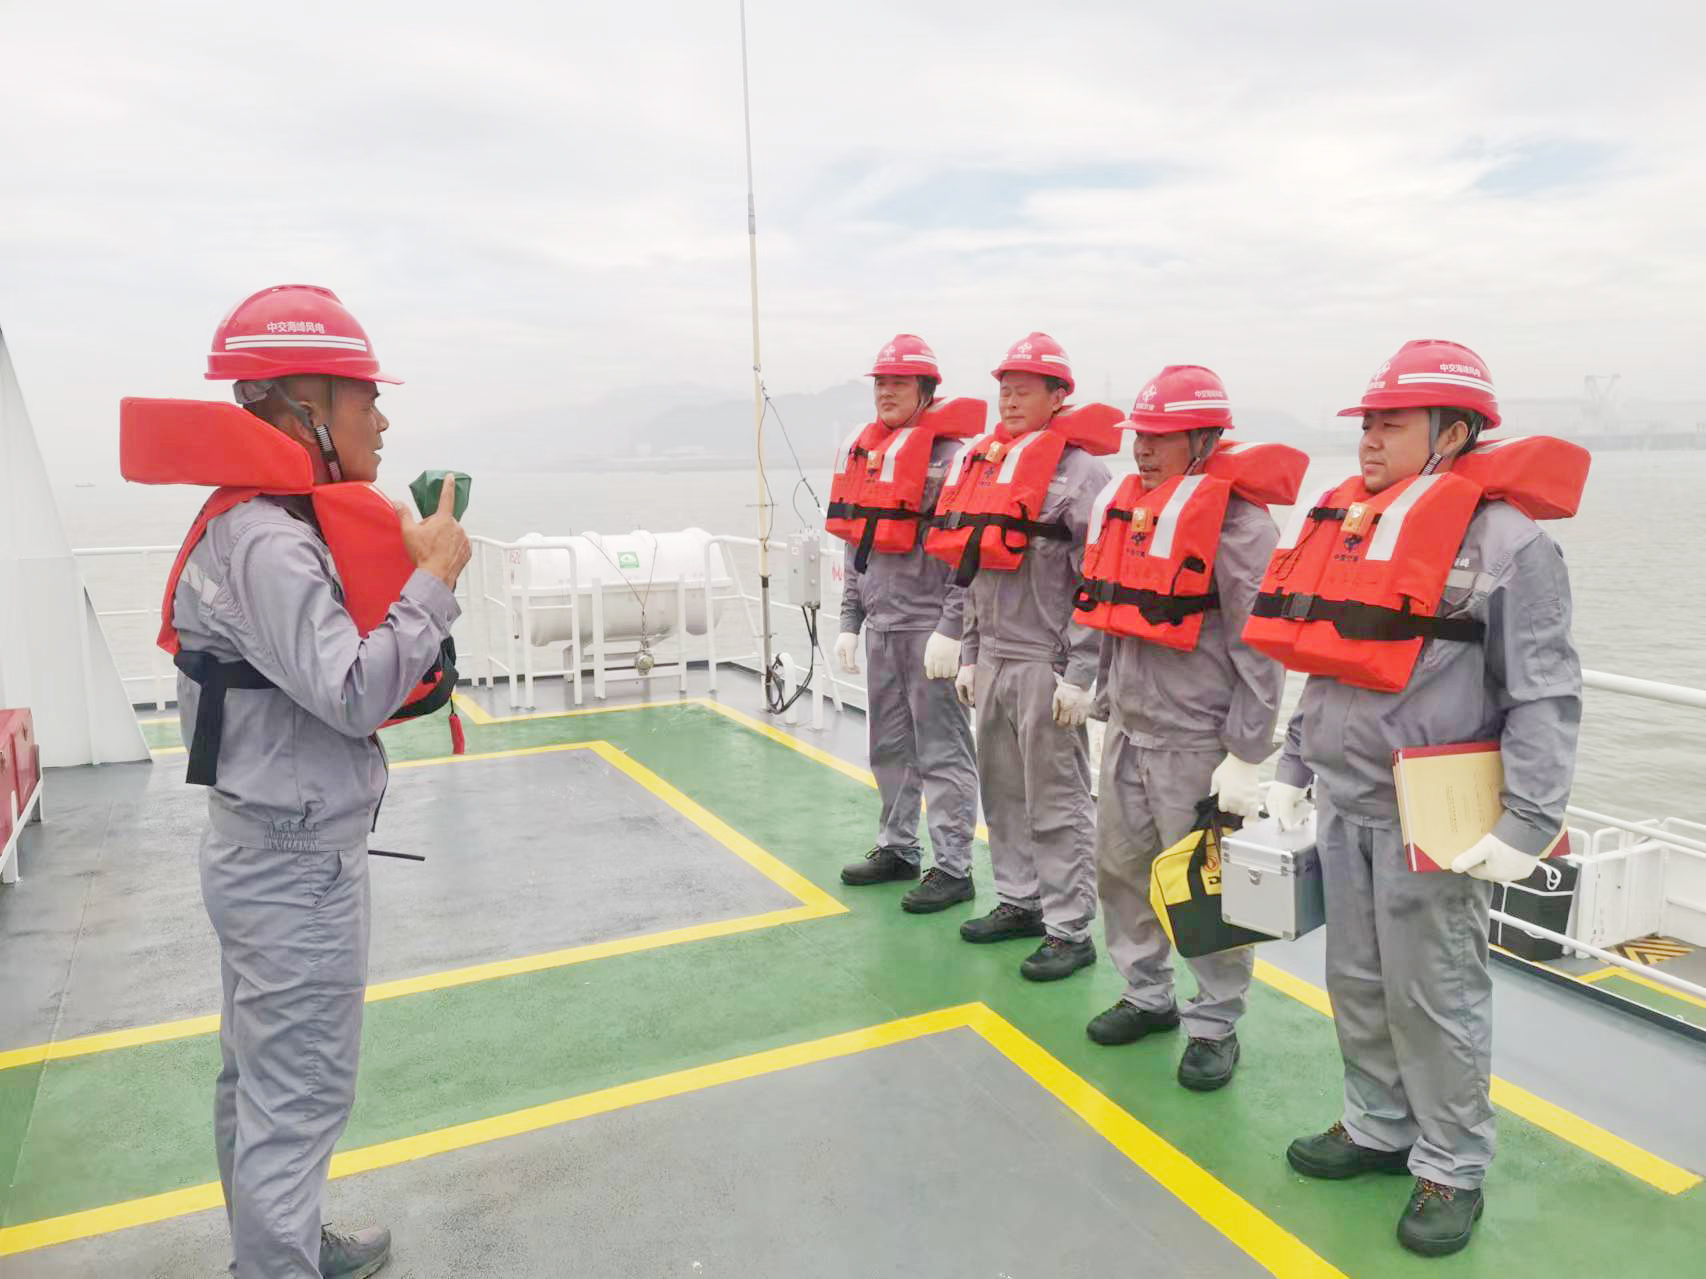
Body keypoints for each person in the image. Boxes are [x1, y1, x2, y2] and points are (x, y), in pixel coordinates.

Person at [1250, 340, 1584, 1258]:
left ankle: (1452, 1162)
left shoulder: (1513, 546)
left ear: (1454, 432)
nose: (1369, 438)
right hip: (1344, 799)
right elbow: (1326, 662)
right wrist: (1292, 764)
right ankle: (1377, 1123)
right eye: (1367, 422)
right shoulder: (1354, 527)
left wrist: (1527, 818)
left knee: (1436, 991)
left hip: (1431, 814)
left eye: (1391, 423)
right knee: (1356, 979)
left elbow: (1544, 691)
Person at [166, 285, 470, 1278]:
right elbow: (350, 691)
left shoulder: (257, 519)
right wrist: (434, 580)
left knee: (261, 1080)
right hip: (293, 865)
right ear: (305, 406)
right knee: (295, 1092)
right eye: (363, 397)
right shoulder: (268, 539)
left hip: (268, 845)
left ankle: (285, 1242)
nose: (380, 419)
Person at [1075, 366, 1302, 1090]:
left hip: (1196, 742)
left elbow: (1261, 649)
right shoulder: (1135, 514)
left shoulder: (1242, 528)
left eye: (1163, 437)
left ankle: (1215, 1023)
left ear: (1204, 440)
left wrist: (1246, 753)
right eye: (1140, 435)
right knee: (1121, 869)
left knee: (1206, 892)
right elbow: (1117, 615)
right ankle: (1146, 993)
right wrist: (1099, 695)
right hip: (1129, 728)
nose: (1143, 450)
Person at [925, 333, 1119, 981]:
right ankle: (1019, 899)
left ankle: (1069, 927)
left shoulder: (1084, 475)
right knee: (1003, 789)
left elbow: (1097, 581)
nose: (1009, 400)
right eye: (1004, 389)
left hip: (1047, 661)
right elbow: (974, 569)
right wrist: (970, 652)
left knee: (1057, 798)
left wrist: (1081, 673)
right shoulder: (986, 465)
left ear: (1059, 396)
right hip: (995, 657)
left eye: (1025, 389)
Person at [827, 334, 982, 912]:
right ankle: (897, 847)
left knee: (942, 751)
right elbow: (857, 543)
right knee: (888, 746)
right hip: (882, 625)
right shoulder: (869, 456)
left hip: (929, 630)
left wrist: (953, 630)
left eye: (899, 383)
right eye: (881, 383)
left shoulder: (955, 461)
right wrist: (850, 620)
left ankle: (954, 867)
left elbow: (967, 557)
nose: (886, 392)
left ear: (927, 390)